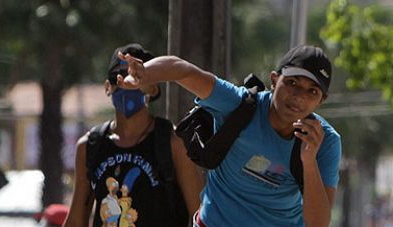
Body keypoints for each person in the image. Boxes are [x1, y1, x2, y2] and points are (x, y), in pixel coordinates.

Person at [117, 44, 342, 227]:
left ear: (321, 101)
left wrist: (309, 161)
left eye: (312, 91)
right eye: (292, 83)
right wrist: (144, 73)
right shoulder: (239, 104)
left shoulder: (325, 141)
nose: (299, 97)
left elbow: (318, 224)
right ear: (274, 80)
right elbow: (182, 69)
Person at [64, 43, 203, 227]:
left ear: (153, 89)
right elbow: (76, 221)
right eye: (116, 78)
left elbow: (202, 216)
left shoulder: (172, 142)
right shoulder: (90, 146)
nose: (124, 83)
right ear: (107, 87)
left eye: (135, 76)